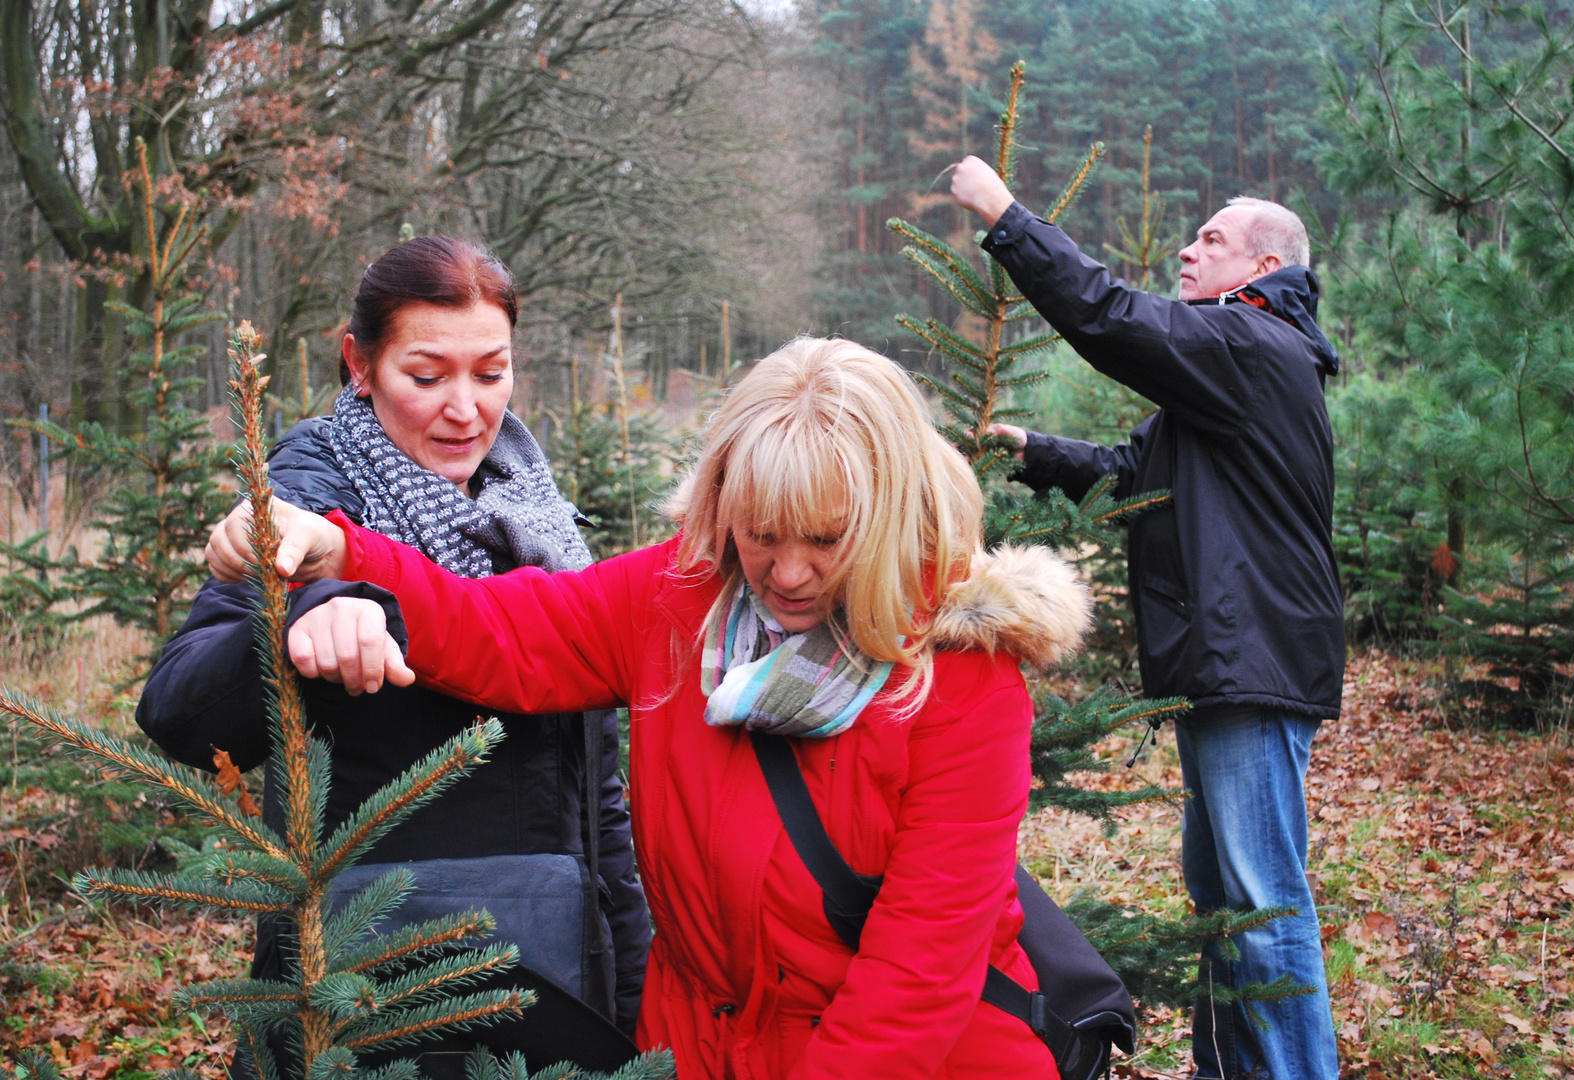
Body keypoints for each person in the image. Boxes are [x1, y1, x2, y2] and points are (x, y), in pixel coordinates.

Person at [205, 336, 1095, 1080]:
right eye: (760, 532)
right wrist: (337, 549)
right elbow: (506, 632)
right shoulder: (680, 598)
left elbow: (918, 973)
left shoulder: (959, 679)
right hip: (700, 1047)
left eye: (827, 540)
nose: (785, 573)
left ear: (890, 514)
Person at [137, 237, 652, 1073]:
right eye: (426, 375)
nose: (464, 410)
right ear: (359, 363)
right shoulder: (307, 497)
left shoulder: (532, 505)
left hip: (553, 977)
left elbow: (595, 790)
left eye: (490, 373)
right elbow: (178, 711)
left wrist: (628, 987)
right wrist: (311, 610)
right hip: (370, 991)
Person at [949, 156, 1344, 1080]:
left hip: (1251, 657)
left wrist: (1008, 219)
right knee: (1223, 896)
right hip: (1229, 657)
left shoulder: (1251, 345)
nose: (1185, 248)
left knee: (1258, 899)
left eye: (1209, 239)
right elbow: (1135, 477)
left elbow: (1108, 318)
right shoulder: (1231, 367)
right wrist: (1036, 451)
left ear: (1261, 267)